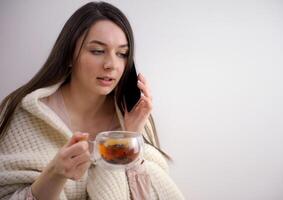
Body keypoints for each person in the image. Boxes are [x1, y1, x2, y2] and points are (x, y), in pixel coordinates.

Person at [0, 1, 185, 200]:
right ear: (69, 56)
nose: (111, 65)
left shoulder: (133, 115)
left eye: (122, 54)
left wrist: (129, 137)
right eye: (97, 51)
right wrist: (54, 173)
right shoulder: (26, 115)